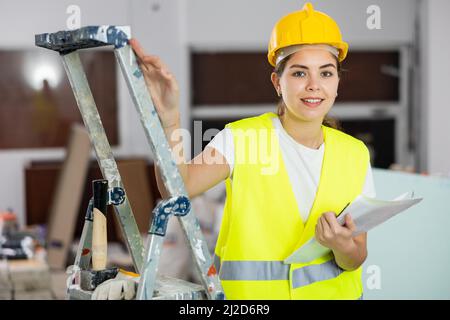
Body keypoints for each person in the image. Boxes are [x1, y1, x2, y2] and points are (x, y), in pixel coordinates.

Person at [94, 2, 375, 300]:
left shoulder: (355, 154)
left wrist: (342, 245)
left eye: (326, 73)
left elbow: (355, 257)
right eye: (299, 73)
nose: (314, 86)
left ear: (338, 82)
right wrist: (169, 119)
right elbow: (177, 190)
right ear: (277, 82)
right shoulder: (242, 139)